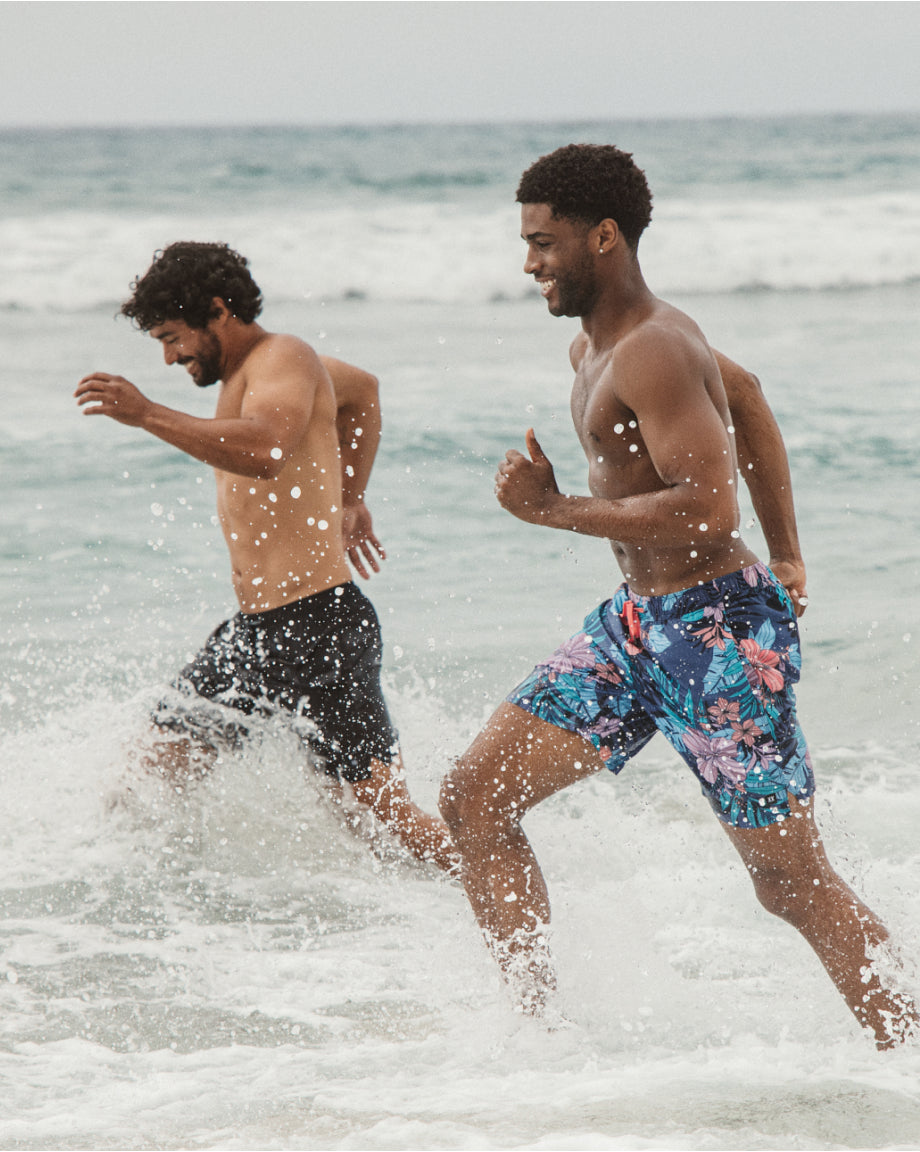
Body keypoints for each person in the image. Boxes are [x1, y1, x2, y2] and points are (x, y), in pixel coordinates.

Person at [439, 145, 916, 1045]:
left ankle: (911, 1043)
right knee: (474, 798)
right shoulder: (593, 346)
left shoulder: (654, 347)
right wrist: (790, 554)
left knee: (790, 883)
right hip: (636, 627)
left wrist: (552, 511)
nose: (529, 263)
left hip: (717, 634)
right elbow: (750, 395)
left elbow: (705, 507)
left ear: (603, 236)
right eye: (526, 243)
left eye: (542, 242)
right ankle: (534, 1040)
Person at [75, 241, 455, 872]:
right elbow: (362, 392)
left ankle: (503, 884)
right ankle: (145, 904)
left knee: (382, 823)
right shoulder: (266, 373)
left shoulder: (283, 356)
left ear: (217, 310)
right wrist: (352, 498)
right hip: (274, 631)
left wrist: (146, 414)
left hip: (313, 628)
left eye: (172, 337)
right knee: (143, 785)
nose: (169, 357)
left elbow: (266, 449)